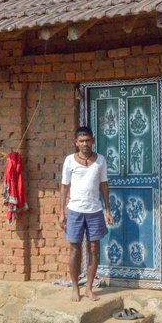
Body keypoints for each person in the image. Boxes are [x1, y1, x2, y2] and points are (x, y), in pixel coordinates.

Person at [58, 126, 113, 302]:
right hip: (74, 211)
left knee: (94, 249)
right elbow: (64, 186)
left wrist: (108, 209)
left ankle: (88, 288)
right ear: (76, 143)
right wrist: (61, 212)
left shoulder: (100, 160)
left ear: (93, 141)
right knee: (75, 248)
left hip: (95, 211)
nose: (85, 144)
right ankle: (75, 288)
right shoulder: (69, 161)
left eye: (88, 140)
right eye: (81, 141)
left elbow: (104, 185)